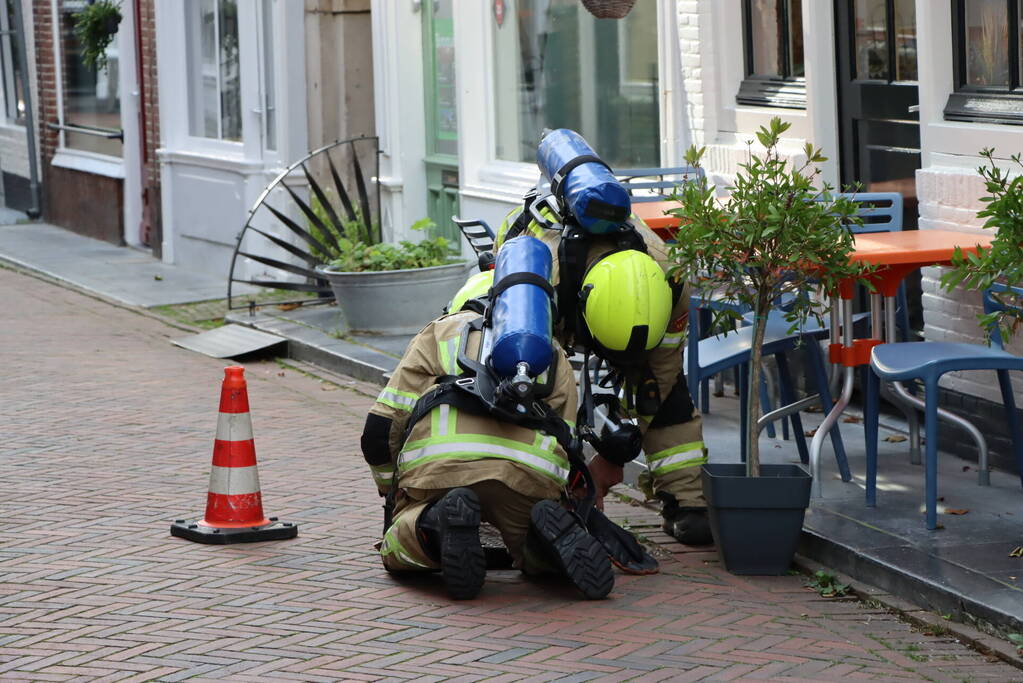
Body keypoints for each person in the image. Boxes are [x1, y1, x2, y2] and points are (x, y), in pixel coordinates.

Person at [360, 298, 615, 601]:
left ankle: (435, 525)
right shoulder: (550, 349)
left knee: (399, 545)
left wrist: (391, 486)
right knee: (534, 548)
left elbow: (378, 429)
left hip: (442, 465)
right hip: (526, 471)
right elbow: (567, 440)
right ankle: (540, 542)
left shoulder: (438, 333)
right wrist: (568, 501)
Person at [494, 202, 712, 546]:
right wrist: (576, 477)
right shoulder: (540, 281)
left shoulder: (671, 283)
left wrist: (613, 454)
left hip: (621, 306)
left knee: (663, 394)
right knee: (534, 394)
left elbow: (662, 376)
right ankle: (530, 494)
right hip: (548, 287)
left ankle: (688, 503)